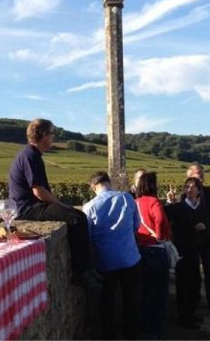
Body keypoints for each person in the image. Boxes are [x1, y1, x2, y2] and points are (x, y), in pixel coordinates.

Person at [8, 118, 96, 286]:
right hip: (29, 209)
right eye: (52, 133)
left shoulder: (30, 154)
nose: (53, 137)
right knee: (76, 218)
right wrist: (61, 205)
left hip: (31, 206)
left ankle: (86, 270)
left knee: (77, 216)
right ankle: (81, 273)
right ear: (43, 135)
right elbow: (39, 192)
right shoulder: (31, 156)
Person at [83, 171, 141, 340]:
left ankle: (109, 336)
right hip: (130, 258)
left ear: (93, 186)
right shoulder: (127, 198)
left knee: (107, 303)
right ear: (109, 182)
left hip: (106, 261)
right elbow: (136, 226)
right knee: (131, 302)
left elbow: (89, 236)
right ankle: (131, 336)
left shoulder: (89, 207)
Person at [166, 177, 207, 329]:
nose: (189, 189)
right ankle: (183, 317)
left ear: (198, 190)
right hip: (182, 251)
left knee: (195, 283)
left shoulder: (201, 207)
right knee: (183, 284)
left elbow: (207, 224)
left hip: (195, 250)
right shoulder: (178, 207)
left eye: (192, 187)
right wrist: (170, 202)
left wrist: (204, 229)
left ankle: (191, 313)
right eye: (187, 187)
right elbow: (168, 218)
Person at [135, 171, 172, 339]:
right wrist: (161, 234)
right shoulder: (154, 201)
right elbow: (160, 220)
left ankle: (143, 328)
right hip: (156, 250)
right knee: (160, 292)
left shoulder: (135, 202)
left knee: (145, 291)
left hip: (140, 250)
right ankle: (155, 330)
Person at [185, 162, 210, 311]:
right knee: (193, 272)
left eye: (201, 172)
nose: (200, 174)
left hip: (206, 237)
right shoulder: (185, 194)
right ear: (188, 176)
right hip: (192, 238)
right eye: (196, 172)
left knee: (209, 270)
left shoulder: (209, 192)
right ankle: (193, 301)